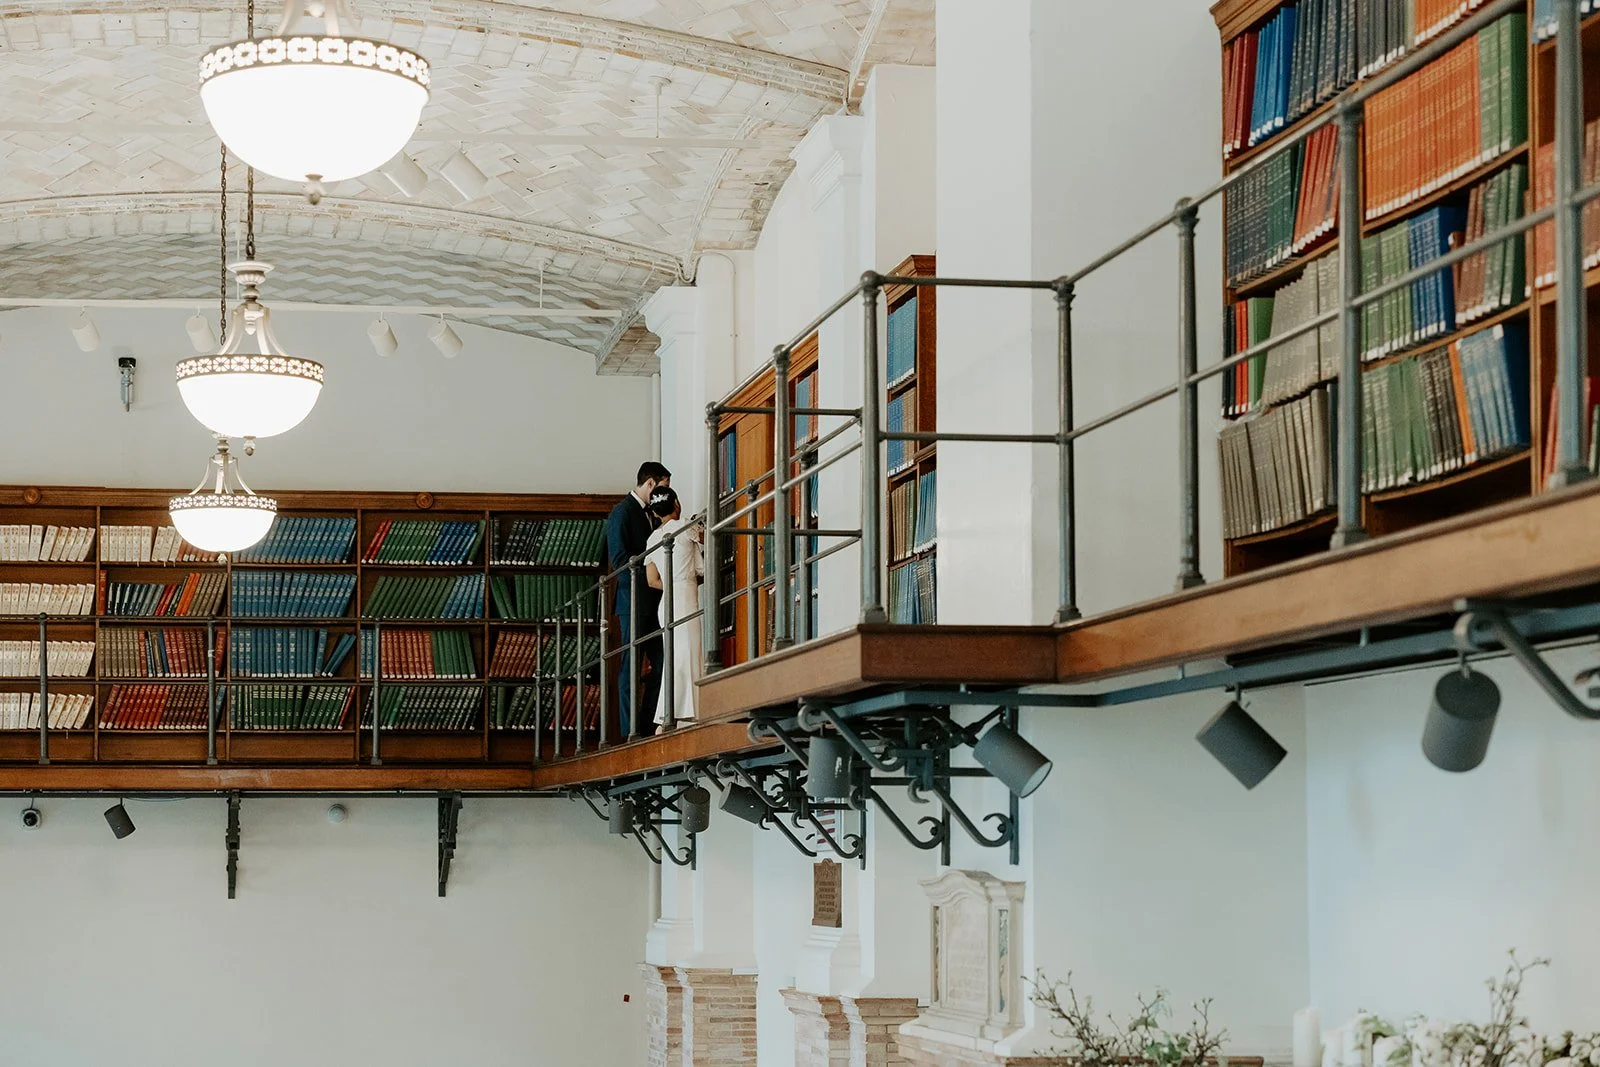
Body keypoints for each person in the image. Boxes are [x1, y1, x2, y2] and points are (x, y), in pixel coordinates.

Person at [605, 462, 670, 737]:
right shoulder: (621, 513)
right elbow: (619, 561)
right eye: (663, 488)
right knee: (631, 666)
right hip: (633, 601)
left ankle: (646, 724)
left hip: (654, 600)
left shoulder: (653, 516)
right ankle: (629, 731)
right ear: (651, 484)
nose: (664, 495)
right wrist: (651, 569)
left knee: (662, 660)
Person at [644, 487, 703, 728]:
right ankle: (692, 712)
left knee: (675, 656)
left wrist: (671, 583)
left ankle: (668, 714)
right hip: (686, 596)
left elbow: (650, 580)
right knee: (691, 653)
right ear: (676, 504)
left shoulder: (653, 538)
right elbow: (702, 569)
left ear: (656, 513)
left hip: (667, 599)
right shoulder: (687, 528)